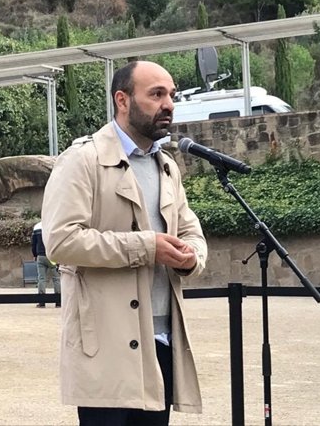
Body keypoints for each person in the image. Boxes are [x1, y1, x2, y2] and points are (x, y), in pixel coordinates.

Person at [41, 61, 208, 426]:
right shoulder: (81, 160)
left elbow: (192, 232)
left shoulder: (167, 167)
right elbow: (61, 241)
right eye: (156, 94)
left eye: (172, 95)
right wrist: (146, 248)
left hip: (162, 341)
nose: (169, 104)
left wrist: (190, 257)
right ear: (122, 99)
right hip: (108, 346)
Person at [31, 221, 60, 308]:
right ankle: (58, 301)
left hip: (41, 255)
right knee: (56, 278)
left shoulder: (37, 227)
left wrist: (35, 255)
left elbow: (33, 244)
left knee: (41, 278)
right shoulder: (54, 224)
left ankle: (41, 301)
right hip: (52, 256)